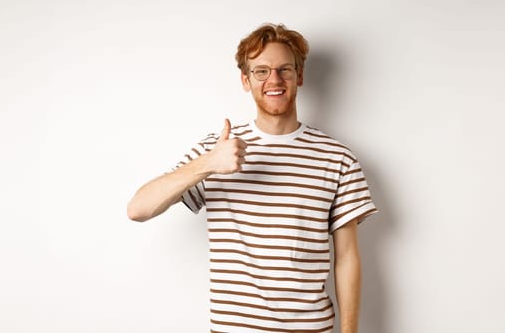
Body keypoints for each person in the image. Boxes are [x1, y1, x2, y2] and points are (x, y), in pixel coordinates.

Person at [126, 23, 377, 333]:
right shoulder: (217, 150)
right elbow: (138, 209)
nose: (274, 79)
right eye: (261, 71)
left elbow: (348, 258)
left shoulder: (337, 157)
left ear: (299, 76)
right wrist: (207, 164)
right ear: (246, 80)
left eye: (284, 69)